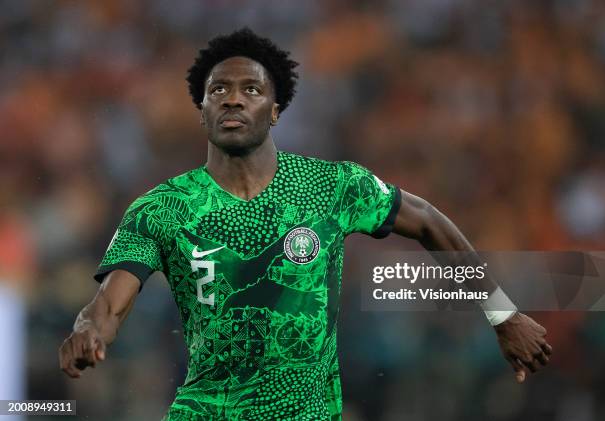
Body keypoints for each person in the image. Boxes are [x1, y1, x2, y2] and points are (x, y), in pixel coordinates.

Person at [58, 28, 552, 420]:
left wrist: (502, 314)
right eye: (218, 91)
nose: (233, 99)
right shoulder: (161, 208)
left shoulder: (332, 186)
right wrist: (88, 333)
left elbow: (428, 223)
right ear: (202, 111)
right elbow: (107, 307)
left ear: (275, 111)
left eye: (250, 89)